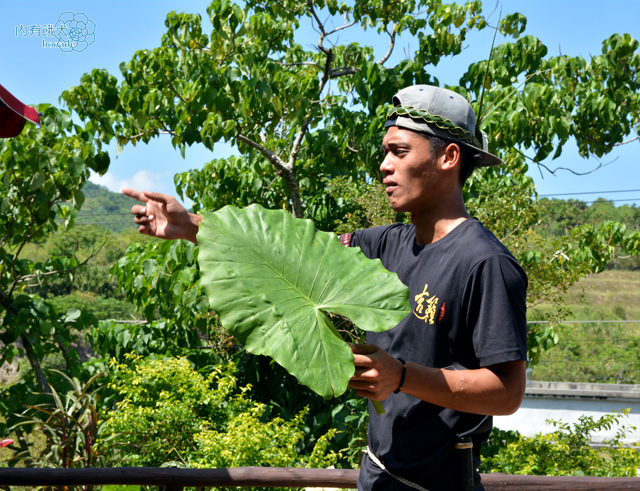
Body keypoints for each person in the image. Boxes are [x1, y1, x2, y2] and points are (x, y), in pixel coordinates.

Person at [123, 84, 528, 491]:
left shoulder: (485, 262)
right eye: (385, 152)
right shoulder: (386, 243)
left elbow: (507, 392)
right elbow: (297, 255)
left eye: (399, 152)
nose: (384, 166)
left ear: (448, 157)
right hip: (377, 475)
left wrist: (401, 377)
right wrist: (193, 226)